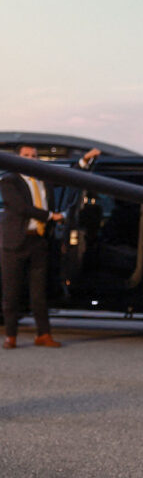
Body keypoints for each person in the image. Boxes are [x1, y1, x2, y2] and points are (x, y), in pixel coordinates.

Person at [1, 145, 101, 349]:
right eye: (26, 156)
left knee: (39, 292)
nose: (30, 159)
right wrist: (50, 216)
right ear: (18, 158)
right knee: (11, 291)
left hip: (39, 241)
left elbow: (67, 177)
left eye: (33, 156)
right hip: (15, 242)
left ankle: (43, 334)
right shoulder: (9, 180)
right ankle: (11, 336)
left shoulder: (44, 179)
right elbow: (21, 208)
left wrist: (84, 160)